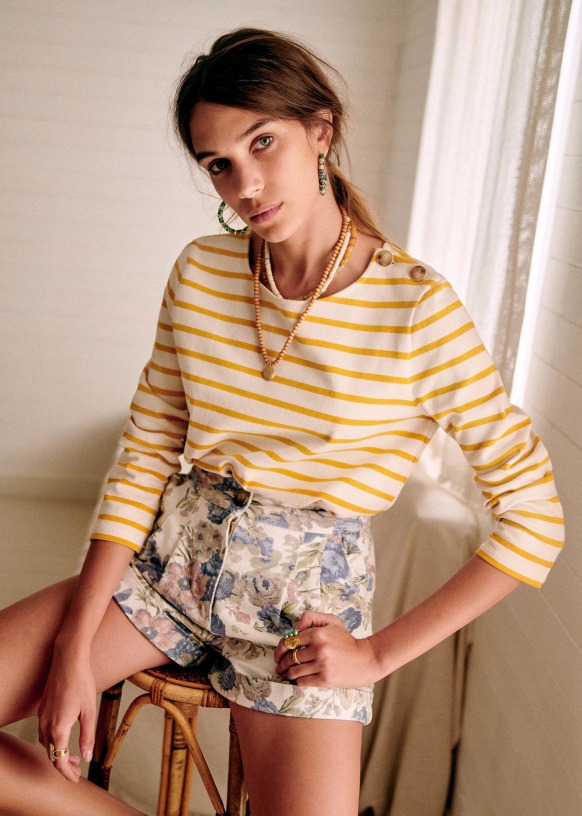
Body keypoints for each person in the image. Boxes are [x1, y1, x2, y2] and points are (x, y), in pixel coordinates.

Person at [0, 27, 564, 816]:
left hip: (302, 617)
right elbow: (147, 452)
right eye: (218, 163)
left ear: (321, 130)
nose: (247, 184)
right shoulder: (201, 272)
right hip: (170, 569)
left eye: (263, 142)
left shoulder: (417, 310)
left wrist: (375, 655)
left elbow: (535, 517)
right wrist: (73, 645)